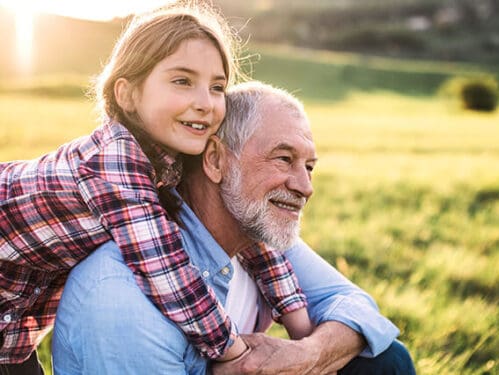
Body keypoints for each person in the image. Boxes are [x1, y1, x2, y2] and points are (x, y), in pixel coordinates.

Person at [0, 4, 312, 373]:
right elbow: (167, 272)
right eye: (182, 81)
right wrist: (234, 354)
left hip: (16, 320)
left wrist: (302, 332)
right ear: (128, 94)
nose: (204, 103)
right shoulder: (113, 163)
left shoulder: (170, 158)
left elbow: (253, 239)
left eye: (216, 87)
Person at [53, 81, 416, 374]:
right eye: (284, 158)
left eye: (309, 167)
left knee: (387, 361)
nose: (306, 186)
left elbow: (361, 309)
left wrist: (306, 355)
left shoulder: (257, 237)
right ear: (214, 160)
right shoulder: (122, 297)